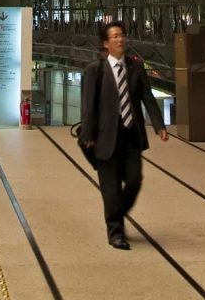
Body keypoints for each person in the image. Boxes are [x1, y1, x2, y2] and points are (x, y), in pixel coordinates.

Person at [79, 20, 168, 249]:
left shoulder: (136, 67)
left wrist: (159, 125)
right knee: (110, 189)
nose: (121, 39)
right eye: (115, 36)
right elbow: (88, 106)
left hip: (131, 135)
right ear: (106, 43)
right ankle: (116, 233)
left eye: (123, 35)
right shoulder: (95, 71)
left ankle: (117, 213)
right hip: (104, 138)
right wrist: (87, 134)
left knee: (135, 181)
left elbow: (147, 97)